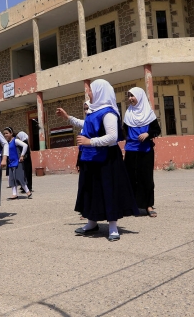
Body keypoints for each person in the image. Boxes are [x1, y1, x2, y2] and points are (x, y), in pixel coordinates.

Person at [56, 79, 139, 241]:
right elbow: (86, 125)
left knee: (109, 190)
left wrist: (89, 142)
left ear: (100, 92)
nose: (89, 93)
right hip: (91, 158)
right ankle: (91, 222)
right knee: (91, 190)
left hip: (107, 159)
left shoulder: (108, 112)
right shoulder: (94, 111)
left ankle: (113, 227)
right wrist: (68, 118)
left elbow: (112, 137)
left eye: (91, 91)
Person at [123, 87, 161, 218]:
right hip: (130, 151)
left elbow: (157, 130)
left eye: (132, 95)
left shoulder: (149, 114)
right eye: (129, 96)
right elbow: (124, 131)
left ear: (139, 96)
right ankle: (131, 206)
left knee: (146, 178)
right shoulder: (128, 114)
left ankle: (148, 206)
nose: (130, 98)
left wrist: (148, 134)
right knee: (130, 178)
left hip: (145, 151)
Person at [3, 127, 32, 200]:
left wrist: (22, 155)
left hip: (17, 162)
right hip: (11, 163)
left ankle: (28, 192)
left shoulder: (15, 140)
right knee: (12, 179)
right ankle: (14, 194)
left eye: (7, 133)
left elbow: (25, 145)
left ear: (11, 133)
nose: (5, 135)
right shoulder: (7, 143)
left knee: (20, 177)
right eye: (4, 134)